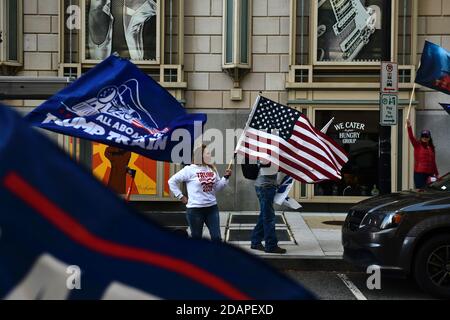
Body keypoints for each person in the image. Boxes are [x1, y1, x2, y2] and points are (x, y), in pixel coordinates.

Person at [168, 145, 232, 241]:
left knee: (217, 238)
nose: (210, 155)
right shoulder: (189, 170)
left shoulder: (212, 169)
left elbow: (217, 187)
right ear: (200, 156)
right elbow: (171, 181)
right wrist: (181, 196)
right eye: (207, 153)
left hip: (212, 209)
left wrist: (226, 177)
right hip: (195, 210)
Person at [250, 163, 287, 254]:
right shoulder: (266, 152)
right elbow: (267, 165)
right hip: (265, 187)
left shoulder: (267, 152)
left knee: (264, 215)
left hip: (265, 186)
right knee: (269, 218)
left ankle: (256, 241)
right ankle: (271, 246)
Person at [406, 119, 439, 189]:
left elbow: (433, 162)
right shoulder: (417, 145)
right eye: (423, 136)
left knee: (430, 190)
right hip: (419, 173)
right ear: (421, 137)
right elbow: (411, 137)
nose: (424, 138)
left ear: (429, 138)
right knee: (421, 191)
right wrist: (409, 127)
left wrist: (436, 174)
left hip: (430, 174)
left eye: (426, 136)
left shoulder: (431, 148)